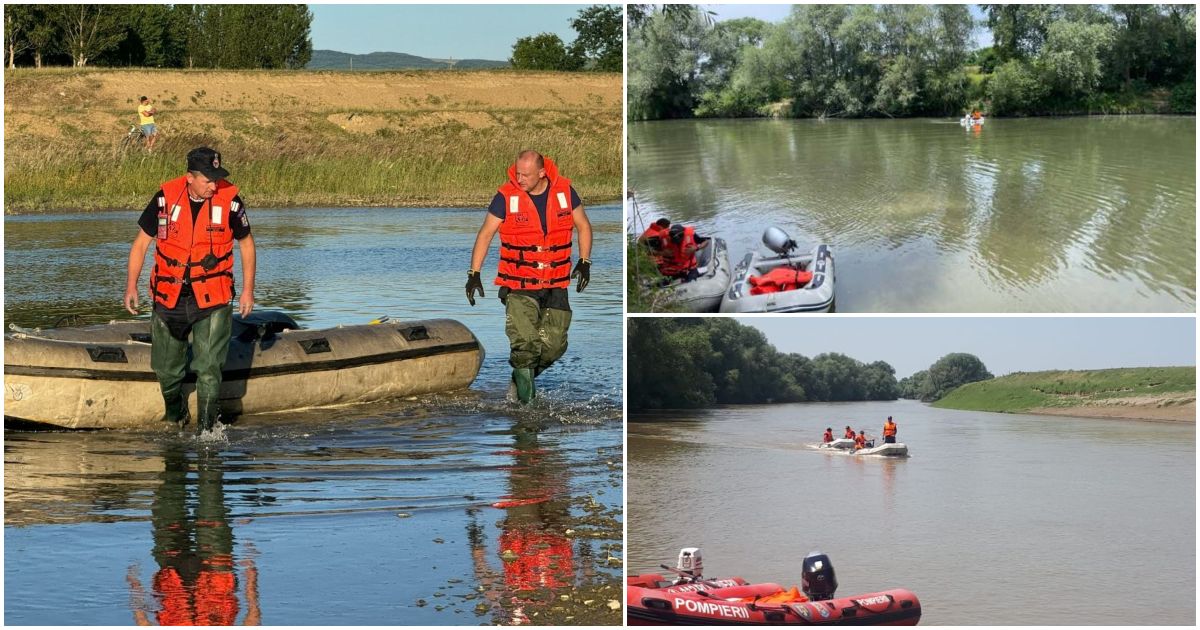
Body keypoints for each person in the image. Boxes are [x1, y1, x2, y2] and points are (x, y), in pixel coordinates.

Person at [124, 147, 256, 433]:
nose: (213, 185)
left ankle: (208, 433)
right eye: (208, 180)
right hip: (169, 295)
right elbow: (140, 244)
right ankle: (175, 415)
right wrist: (131, 285)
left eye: (216, 178)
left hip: (214, 297)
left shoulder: (231, 201)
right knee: (166, 370)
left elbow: (246, 244)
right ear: (189, 178)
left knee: (209, 369)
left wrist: (248, 290)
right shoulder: (164, 198)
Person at [466, 150, 592, 404]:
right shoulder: (505, 196)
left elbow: (583, 225)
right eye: (517, 173)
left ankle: (520, 378)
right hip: (518, 284)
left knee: (555, 347)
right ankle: (527, 414)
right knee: (525, 345)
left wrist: (584, 261)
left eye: (526, 175)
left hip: (556, 283)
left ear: (542, 173)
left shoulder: (565, 191)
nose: (519, 178)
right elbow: (485, 233)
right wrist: (474, 273)